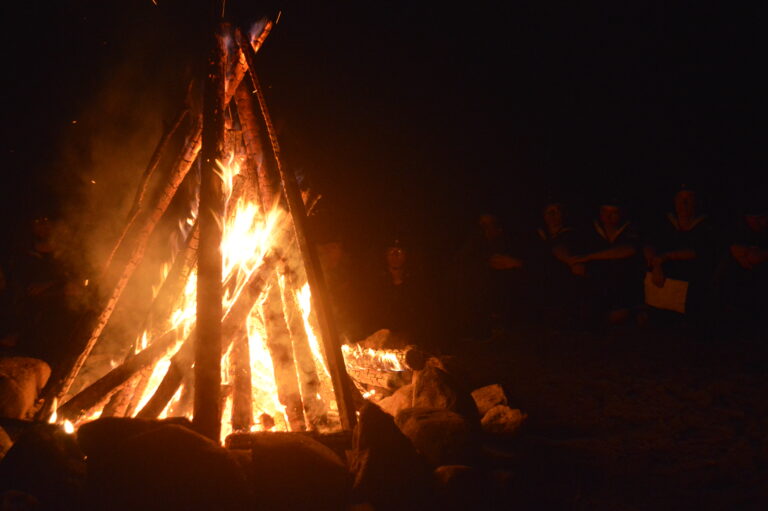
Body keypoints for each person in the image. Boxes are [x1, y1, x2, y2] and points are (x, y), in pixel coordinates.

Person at [557, 198, 643, 326]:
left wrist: (590, 257)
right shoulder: (588, 229)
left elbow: (629, 249)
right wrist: (572, 261)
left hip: (623, 286)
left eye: (613, 212)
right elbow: (560, 245)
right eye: (604, 211)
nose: (608, 216)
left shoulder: (631, 229)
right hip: (596, 285)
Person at [643, 185, 720, 326]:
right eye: (680, 199)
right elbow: (649, 243)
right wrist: (655, 262)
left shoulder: (706, 225)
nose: (684, 204)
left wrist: (664, 258)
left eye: (688, 199)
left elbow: (699, 252)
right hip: (662, 277)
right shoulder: (664, 221)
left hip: (689, 280)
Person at [452, 212, 527, 337]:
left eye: (489, 225)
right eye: (482, 225)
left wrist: (515, 263)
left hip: (496, 295)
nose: (484, 229)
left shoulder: (505, 243)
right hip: (475, 293)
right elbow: (466, 262)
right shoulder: (474, 245)